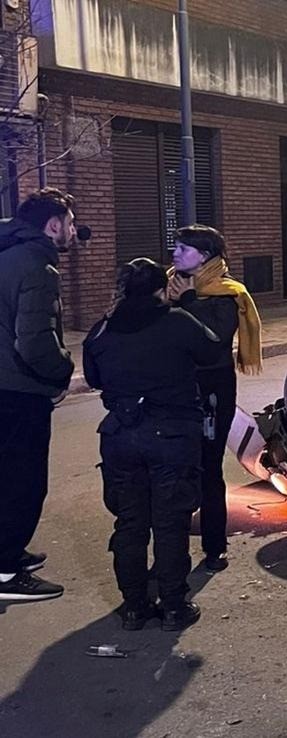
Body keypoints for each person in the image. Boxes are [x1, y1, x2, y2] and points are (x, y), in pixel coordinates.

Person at [84, 258, 223, 630]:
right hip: (172, 436)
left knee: (129, 523)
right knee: (170, 522)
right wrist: (188, 302)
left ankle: (134, 607)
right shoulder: (176, 321)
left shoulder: (104, 329)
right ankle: (174, 607)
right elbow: (213, 351)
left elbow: (94, 376)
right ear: (161, 289)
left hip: (120, 437)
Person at [0, 188, 80, 602]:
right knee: (23, 481)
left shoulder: (6, 251)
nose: (72, 230)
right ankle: (6, 572)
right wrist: (62, 371)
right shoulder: (36, 265)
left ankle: (6, 552)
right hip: (18, 391)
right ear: (52, 225)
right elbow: (34, 342)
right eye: (68, 223)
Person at [167, 225, 262, 572]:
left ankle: (214, 546)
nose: (175, 253)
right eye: (175, 246)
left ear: (205, 256)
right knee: (175, 469)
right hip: (175, 388)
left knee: (208, 467)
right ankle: (170, 550)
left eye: (183, 248)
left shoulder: (225, 293)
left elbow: (215, 340)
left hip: (212, 389)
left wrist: (188, 301)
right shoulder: (170, 287)